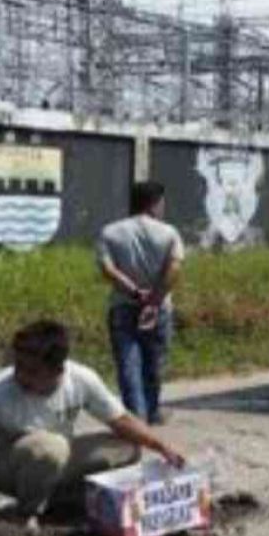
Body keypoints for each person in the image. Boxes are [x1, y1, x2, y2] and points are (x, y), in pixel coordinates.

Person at [0, 320, 185, 529]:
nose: (20, 376)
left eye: (32, 370)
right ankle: (26, 513)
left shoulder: (80, 379)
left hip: (56, 456)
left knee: (127, 447)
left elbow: (120, 420)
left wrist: (161, 446)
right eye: (18, 366)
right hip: (6, 465)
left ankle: (60, 501)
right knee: (49, 449)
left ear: (57, 369)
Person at [96, 181, 185, 425]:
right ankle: (151, 412)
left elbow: (107, 270)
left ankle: (137, 418)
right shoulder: (169, 233)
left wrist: (136, 293)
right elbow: (174, 269)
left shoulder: (110, 232)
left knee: (128, 365)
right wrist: (154, 301)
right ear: (156, 203)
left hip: (122, 306)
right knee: (154, 363)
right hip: (159, 309)